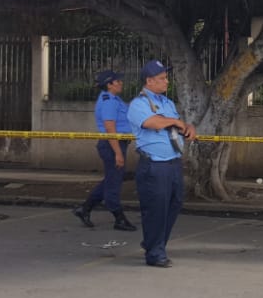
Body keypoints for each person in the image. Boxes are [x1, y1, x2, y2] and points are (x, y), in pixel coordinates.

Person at [127, 60, 195, 268]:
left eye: (166, 77)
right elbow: (151, 123)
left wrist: (187, 127)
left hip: (173, 163)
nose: (166, 81)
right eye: (162, 78)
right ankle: (155, 253)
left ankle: (153, 243)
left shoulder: (167, 103)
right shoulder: (138, 104)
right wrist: (174, 122)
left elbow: (177, 124)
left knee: (174, 205)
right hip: (154, 166)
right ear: (149, 81)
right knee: (156, 208)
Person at [72, 69, 138, 232]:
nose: (121, 83)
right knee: (113, 184)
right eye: (117, 81)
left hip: (116, 144)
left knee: (111, 179)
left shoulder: (115, 99)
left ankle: (85, 209)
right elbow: (110, 128)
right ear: (109, 85)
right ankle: (119, 218)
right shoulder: (108, 101)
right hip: (112, 145)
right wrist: (117, 153)